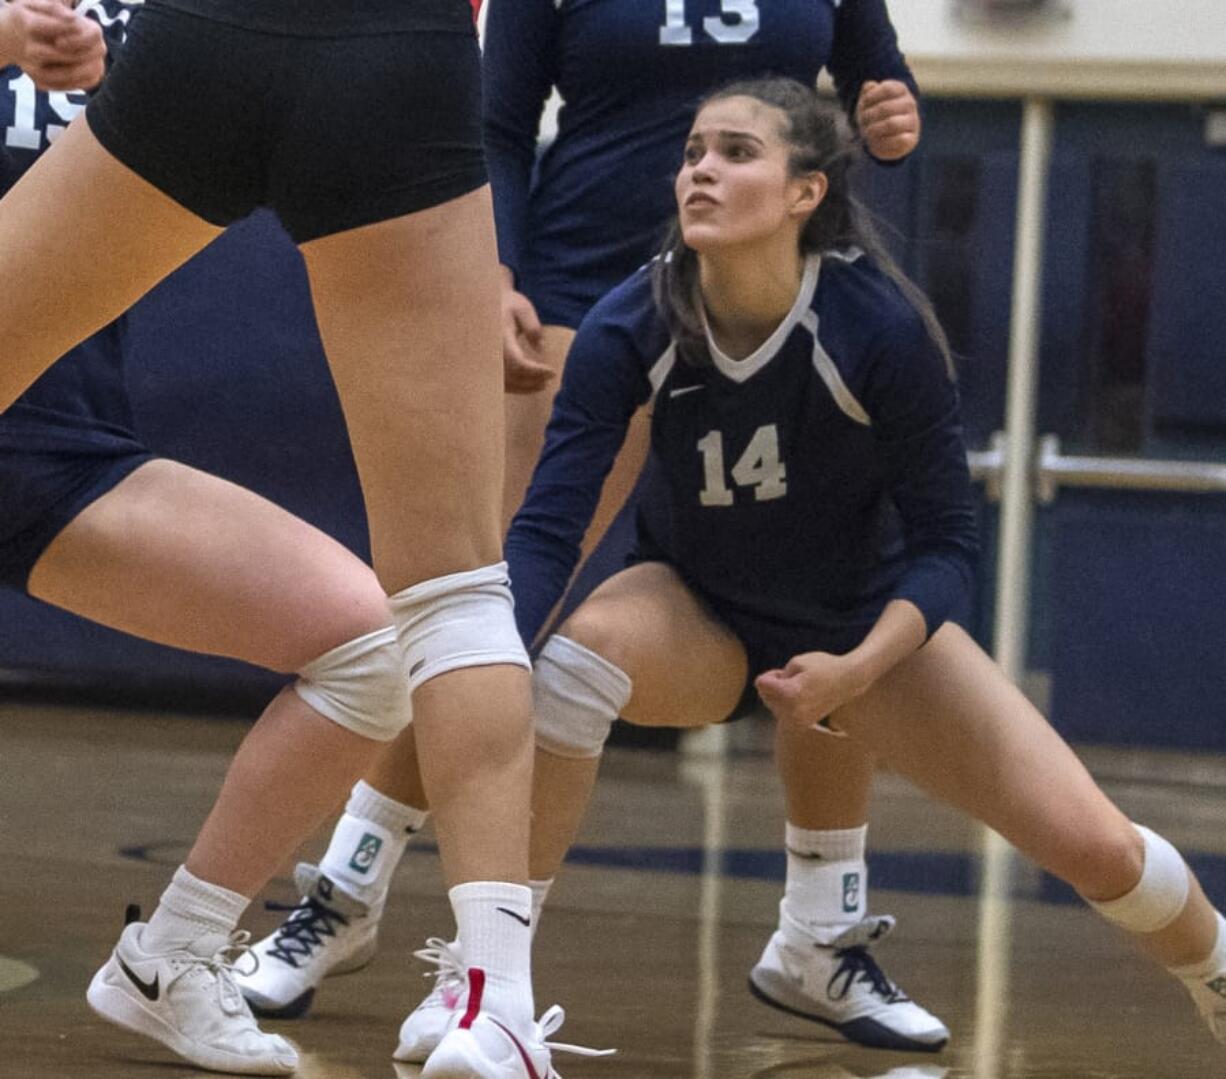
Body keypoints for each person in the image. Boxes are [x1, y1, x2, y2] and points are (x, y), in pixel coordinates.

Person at [437, 78, 1226, 1061]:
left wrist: (854, 669)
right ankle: (486, 991)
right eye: (691, 152)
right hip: (698, 610)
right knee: (571, 666)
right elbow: (547, 533)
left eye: (734, 153)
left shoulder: (877, 326)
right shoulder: (627, 323)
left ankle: (1217, 972)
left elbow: (948, 550)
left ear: (803, 192)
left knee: (1102, 851)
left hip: (860, 623)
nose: (700, 171)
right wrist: (485, 659)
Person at [240, 0, 948, 1056]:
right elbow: (497, 119)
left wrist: (893, 119)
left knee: (827, 584)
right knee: (486, 599)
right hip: (588, 290)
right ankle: (344, 892)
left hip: (776, 296)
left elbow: (872, 98)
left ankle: (821, 928)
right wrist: (493, 269)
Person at [0, 0, 558, 1076]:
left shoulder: (133, 31)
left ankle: (173, 952)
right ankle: (494, 1003)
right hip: (395, 53)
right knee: (454, 587)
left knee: (371, 641)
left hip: (52, 462)